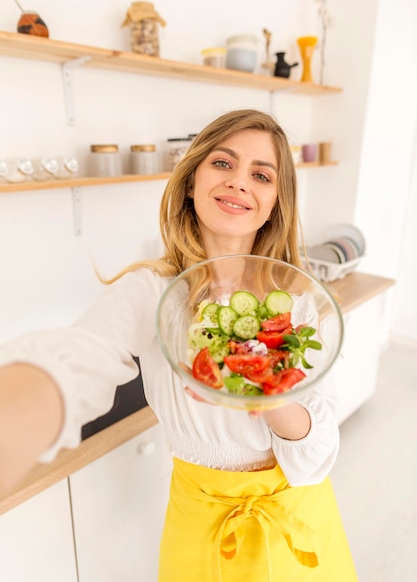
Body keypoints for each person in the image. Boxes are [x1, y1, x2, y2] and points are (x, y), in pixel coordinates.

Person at [0, 109, 358, 581]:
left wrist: (268, 395)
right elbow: (82, 353)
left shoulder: (301, 302)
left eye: (261, 174)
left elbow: (316, 456)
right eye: (223, 164)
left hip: (297, 515)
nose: (239, 182)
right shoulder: (154, 290)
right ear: (191, 182)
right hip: (199, 522)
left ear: (276, 202)